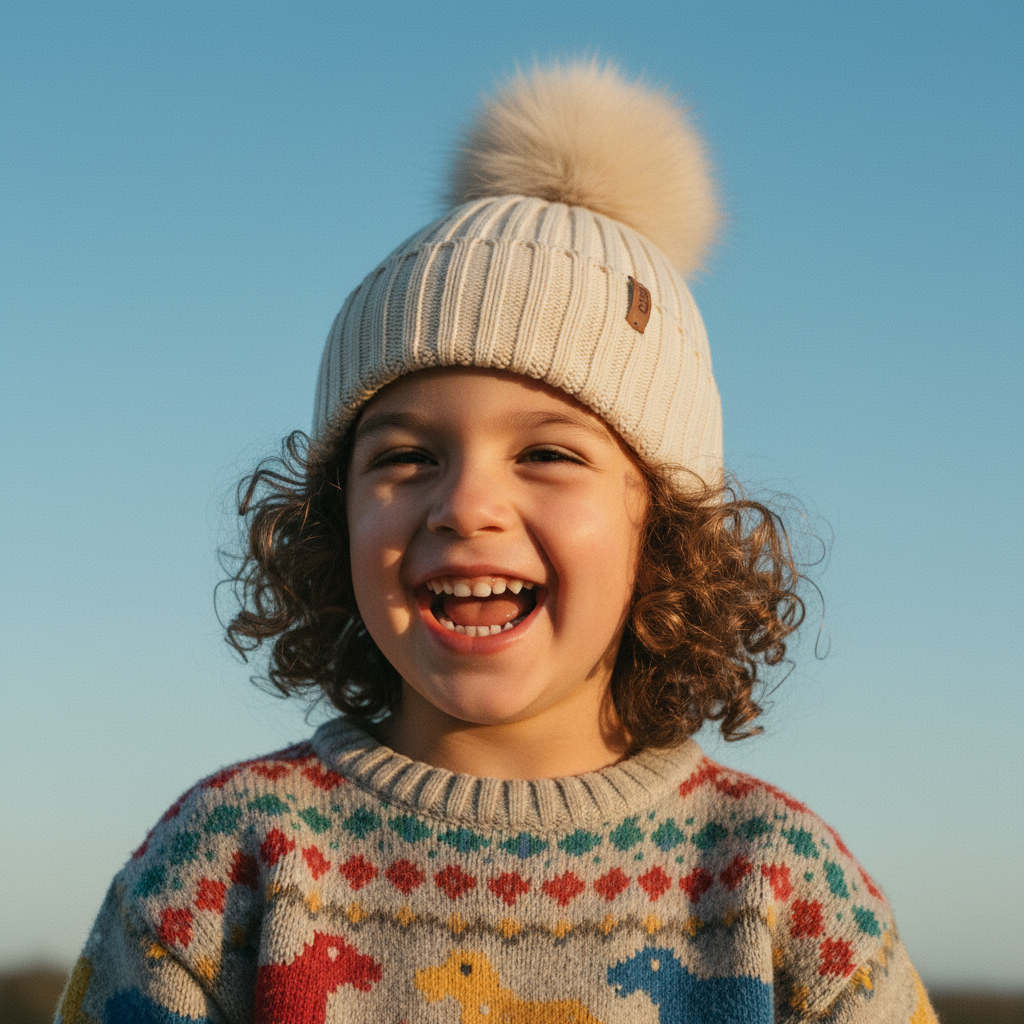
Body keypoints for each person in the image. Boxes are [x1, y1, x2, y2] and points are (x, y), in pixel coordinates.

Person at [57, 62, 937, 1023]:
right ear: (331, 518)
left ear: (670, 530)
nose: (465, 504)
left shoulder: (782, 891)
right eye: (406, 457)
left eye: (549, 453)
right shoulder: (226, 866)